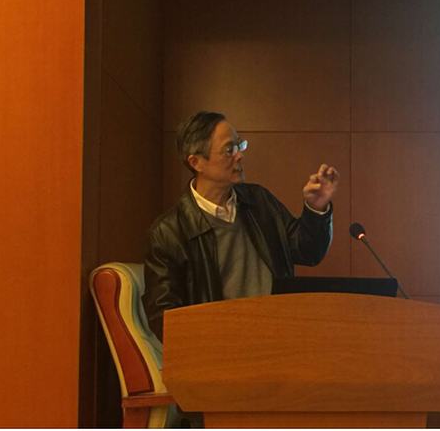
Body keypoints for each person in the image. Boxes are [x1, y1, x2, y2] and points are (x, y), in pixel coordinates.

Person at [142, 111, 339, 341]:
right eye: (229, 150)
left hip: (280, 335)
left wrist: (316, 209)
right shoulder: (169, 232)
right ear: (196, 162)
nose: (239, 155)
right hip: (221, 348)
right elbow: (164, 318)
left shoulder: (259, 202)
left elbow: (308, 251)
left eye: (240, 145)